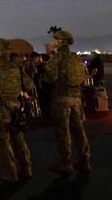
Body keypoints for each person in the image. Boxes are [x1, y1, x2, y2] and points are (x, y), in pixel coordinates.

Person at [0, 38, 35, 183]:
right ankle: (27, 169)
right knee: (19, 139)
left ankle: (11, 173)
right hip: (16, 108)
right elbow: (30, 85)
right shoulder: (16, 66)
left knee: (4, 141)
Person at [44, 30, 91, 173]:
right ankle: (85, 160)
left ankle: (66, 162)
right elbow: (83, 76)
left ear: (60, 42)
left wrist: (50, 55)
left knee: (63, 131)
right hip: (76, 99)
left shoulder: (57, 58)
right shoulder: (75, 57)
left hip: (61, 99)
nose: (52, 42)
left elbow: (50, 78)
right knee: (79, 131)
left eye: (55, 39)